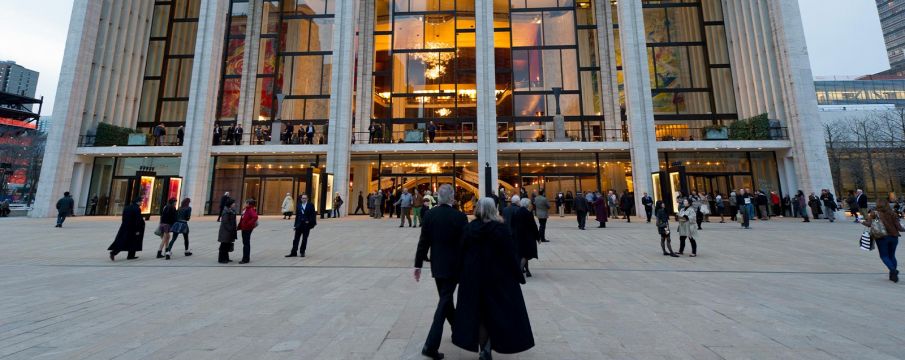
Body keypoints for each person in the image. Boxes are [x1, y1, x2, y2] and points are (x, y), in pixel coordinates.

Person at [452, 197, 534, 359]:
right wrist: (518, 275)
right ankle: (489, 346)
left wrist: (459, 275)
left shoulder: (469, 229)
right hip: (498, 279)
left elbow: (461, 253)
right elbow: (511, 255)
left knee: (480, 313)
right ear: (493, 209)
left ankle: (484, 348)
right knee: (496, 312)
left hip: (474, 278)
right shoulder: (500, 229)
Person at [413, 184, 468, 360]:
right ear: (452, 198)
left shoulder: (430, 215)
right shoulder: (460, 217)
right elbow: (465, 245)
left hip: (437, 266)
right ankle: (430, 345)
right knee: (444, 301)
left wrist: (418, 265)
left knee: (446, 301)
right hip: (454, 267)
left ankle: (457, 330)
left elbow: (424, 242)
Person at [862, 199, 903, 283]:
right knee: (892, 256)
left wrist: (862, 222)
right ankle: (892, 275)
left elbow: (869, 224)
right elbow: (899, 228)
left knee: (884, 256)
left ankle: (893, 271)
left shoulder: (874, 213)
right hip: (894, 237)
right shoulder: (893, 213)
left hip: (881, 238)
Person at [509, 198, 539, 278]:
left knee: (522, 253)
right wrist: (538, 237)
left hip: (518, 236)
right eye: (529, 203)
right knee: (525, 255)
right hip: (527, 237)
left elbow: (512, 224)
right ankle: (519, 272)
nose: (531, 205)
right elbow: (533, 226)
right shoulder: (528, 213)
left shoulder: (516, 212)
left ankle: (525, 270)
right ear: (526, 204)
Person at [238, 199, 258, 264]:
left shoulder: (250, 209)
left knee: (246, 244)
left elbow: (255, 217)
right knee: (246, 243)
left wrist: (248, 224)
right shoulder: (246, 209)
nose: (244, 204)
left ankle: (245, 259)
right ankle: (246, 258)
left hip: (247, 229)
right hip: (245, 228)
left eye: (245, 203)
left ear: (248, 204)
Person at [217, 198, 238, 264]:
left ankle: (226, 258)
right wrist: (230, 229)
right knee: (224, 244)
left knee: (227, 244)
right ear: (230, 204)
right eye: (233, 203)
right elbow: (225, 222)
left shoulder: (231, 210)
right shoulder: (226, 211)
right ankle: (221, 259)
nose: (234, 204)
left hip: (229, 231)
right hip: (225, 231)